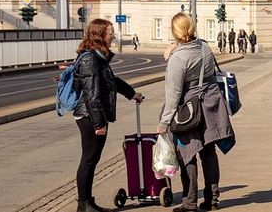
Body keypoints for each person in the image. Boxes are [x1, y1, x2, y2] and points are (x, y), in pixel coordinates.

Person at [159, 13, 234, 212]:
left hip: (188, 111)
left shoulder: (178, 58)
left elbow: (173, 94)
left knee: (188, 154)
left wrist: (164, 122)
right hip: (210, 104)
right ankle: (212, 199)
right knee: (209, 152)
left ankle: (189, 202)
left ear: (174, 32)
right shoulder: (204, 47)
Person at [72, 19, 144, 212]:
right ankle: (83, 204)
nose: (113, 35)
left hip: (93, 115)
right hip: (89, 116)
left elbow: (112, 81)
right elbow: (92, 95)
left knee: (92, 159)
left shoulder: (98, 57)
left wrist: (132, 94)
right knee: (88, 159)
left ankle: (88, 201)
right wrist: (98, 124)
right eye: (111, 32)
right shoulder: (90, 59)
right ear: (100, 34)